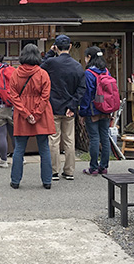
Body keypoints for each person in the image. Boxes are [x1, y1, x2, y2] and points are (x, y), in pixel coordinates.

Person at [9, 44, 55, 189]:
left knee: (19, 148)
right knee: (44, 148)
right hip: (41, 114)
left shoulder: (16, 73)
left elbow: (13, 96)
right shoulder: (43, 74)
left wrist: (26, 114)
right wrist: (36, 114)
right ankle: (47, 181)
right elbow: (45, 96)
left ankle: (15, 181)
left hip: (22, 114)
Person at [41, 34, 85, 181]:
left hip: (53, 107)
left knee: (53, 140)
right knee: (69, 140)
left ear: (56, 47)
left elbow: (40, 67)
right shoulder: (77, 66)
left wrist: (50, 52)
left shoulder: (51, 63)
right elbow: (81, 88)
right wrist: (72, 106)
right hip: (69, 108)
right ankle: (69, 171)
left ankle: (54, 171)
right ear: (70, 47)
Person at [79, 46, 113, 177]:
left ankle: (93, 167)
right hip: (105, 109)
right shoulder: (106, 71)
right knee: (104, 137)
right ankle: (103, 166)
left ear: (89, 57)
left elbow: (86, 94)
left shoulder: (88, 73)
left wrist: (83, 112)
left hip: (93, 110)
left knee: (94, 138)